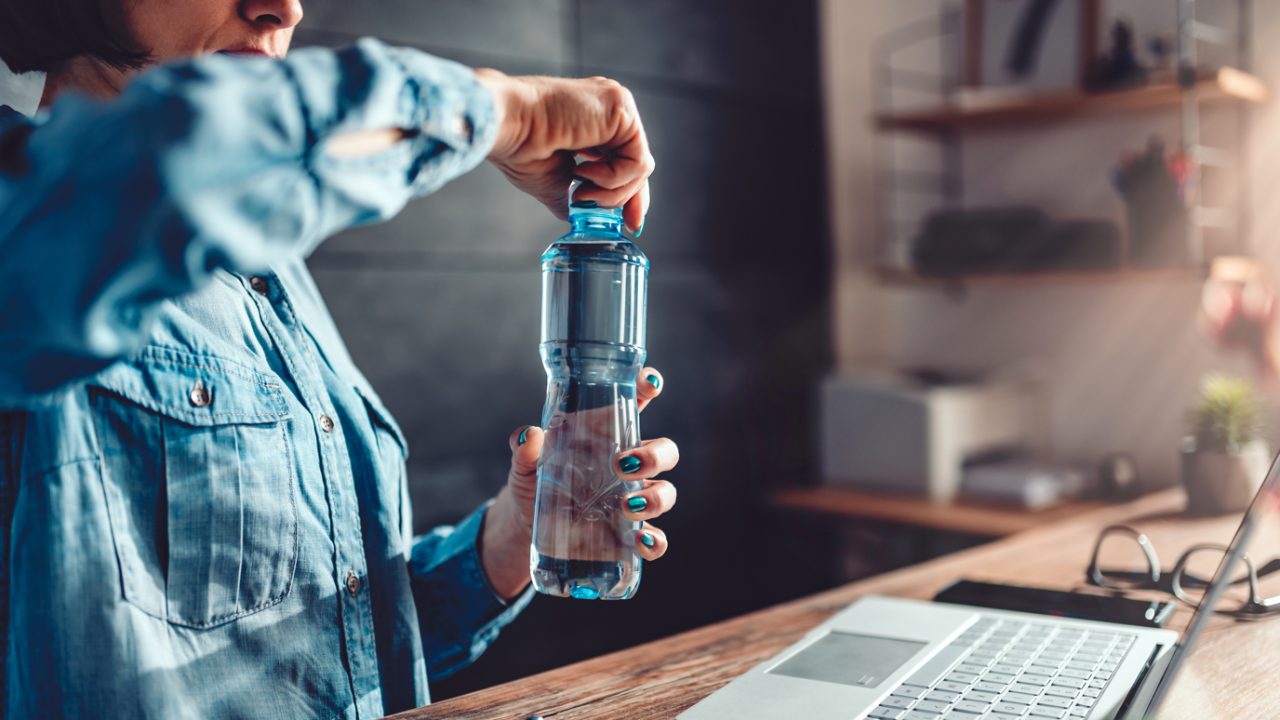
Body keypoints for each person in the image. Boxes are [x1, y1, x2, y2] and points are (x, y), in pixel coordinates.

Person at [0, 1, 678, 717]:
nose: (283, 6)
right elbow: (167, 166)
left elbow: (317, 644)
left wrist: (507, 541)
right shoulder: (27, 220)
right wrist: (508, 111)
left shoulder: (271, 266)